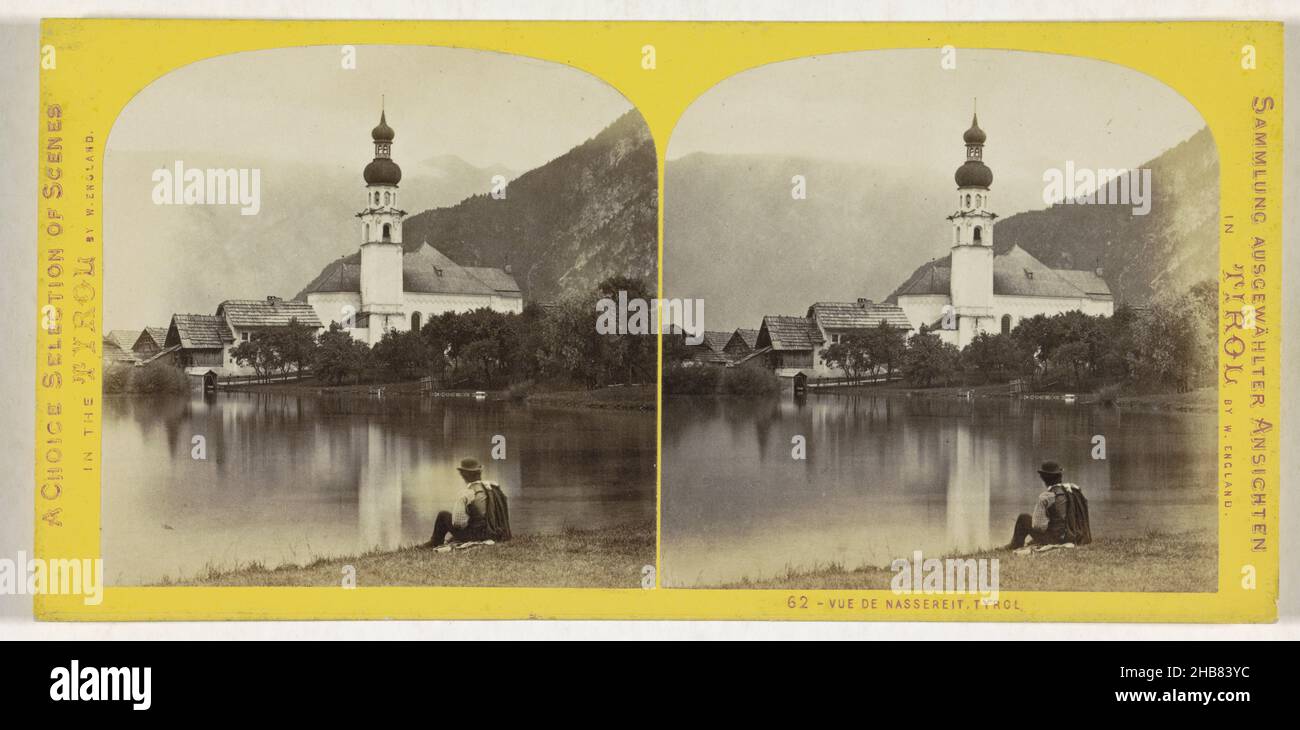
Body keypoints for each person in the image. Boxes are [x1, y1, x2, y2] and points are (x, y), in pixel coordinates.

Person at [1006, 460, 1090, 549]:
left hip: (1057, 540)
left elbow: (1038, 527)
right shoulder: (1073, 490)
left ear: (1043, 478)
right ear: (1060, 476)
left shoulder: (1046, 497)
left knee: (1023, 518)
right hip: (1075, 536)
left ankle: (1014, 545)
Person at [425, 458, 492, 547]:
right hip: (490, 531)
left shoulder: (467, 493)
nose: (461, 474)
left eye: (462, 472)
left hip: (475, 536)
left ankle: (435, 541)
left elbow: (458, 524)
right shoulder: (488, 488)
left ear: (465, 474)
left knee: (443, 515)